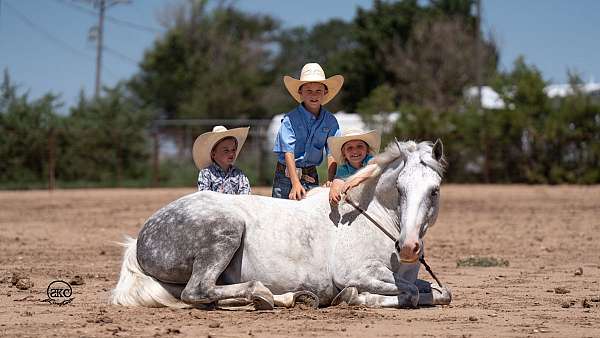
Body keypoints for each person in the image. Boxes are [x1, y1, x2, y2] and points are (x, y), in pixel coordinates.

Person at [272, 63, 344, 200]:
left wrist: (330, 179)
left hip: (311, 175)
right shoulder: (289, 120)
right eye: (309, 91)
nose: (314, 95)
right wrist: (295, 183)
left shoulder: (330, 121)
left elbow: (332, 153)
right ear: (300, 92)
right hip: (286, 176)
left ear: (325, 92)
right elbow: (288, 152)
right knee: (281, 215)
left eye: (318, 90)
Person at [327, 129, 381, 206]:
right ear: (344, 154)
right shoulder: (344, 168)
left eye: (359, 146)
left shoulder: (370, 160)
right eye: (350, 148)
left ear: (367, 150)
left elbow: (374, 168)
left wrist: (356, 180)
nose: (355, 151)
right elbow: (338, 180)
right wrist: (334, 191)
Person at [192, 125, 251, 194]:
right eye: (226, 150)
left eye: (233, 150)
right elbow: (204, 196)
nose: (231, 153)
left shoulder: (239, 174)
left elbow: (245, 195)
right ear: (213, 154)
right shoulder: (206, 174)